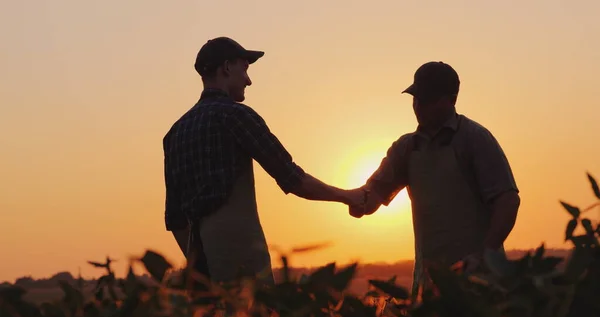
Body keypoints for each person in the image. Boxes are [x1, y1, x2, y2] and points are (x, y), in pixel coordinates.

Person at [163, 37, 365, 287]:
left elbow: (175, 218)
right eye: (244, 69)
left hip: (199, 269)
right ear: (226, 68)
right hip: (242, 259)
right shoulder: (236, 116)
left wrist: (200, 265)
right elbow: (293, 178)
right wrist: (347, 196)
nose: (248, 80)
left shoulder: (175, 133)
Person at [349, 61, 520, 299]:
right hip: (428, 289)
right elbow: (371, 196)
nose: (418, 106)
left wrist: (483, 255)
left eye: (426, 100)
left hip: (480, 285)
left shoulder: (475, 139)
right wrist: (350, 200)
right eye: (415, 98)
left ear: (451, 100)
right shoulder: (406, 148)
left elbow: (507, 201)